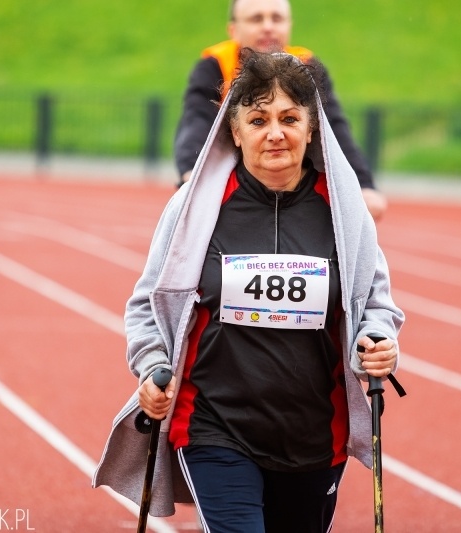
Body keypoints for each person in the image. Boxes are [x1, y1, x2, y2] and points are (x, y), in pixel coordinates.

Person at [94, 50, 404, 532]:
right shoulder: (194, 210)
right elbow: (147, 305)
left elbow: (376, 305)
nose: (275, 132)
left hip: (314, 434)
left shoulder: (345, 214)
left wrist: (379, 342)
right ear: (235, 132)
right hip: (214, 425)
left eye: (289, 118)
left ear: (311, 127)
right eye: (258, 119)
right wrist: (152, 362)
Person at [173, 0, 389, 222]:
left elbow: (333, 128)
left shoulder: (307, 66)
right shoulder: (216, 65)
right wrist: (191, 172)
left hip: (297, 186)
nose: (268, 27)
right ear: (233, 30)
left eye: (277, 18)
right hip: (236, 183)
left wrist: (363, 184)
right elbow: (197, 120)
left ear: (289, 25)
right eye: (256, 19)